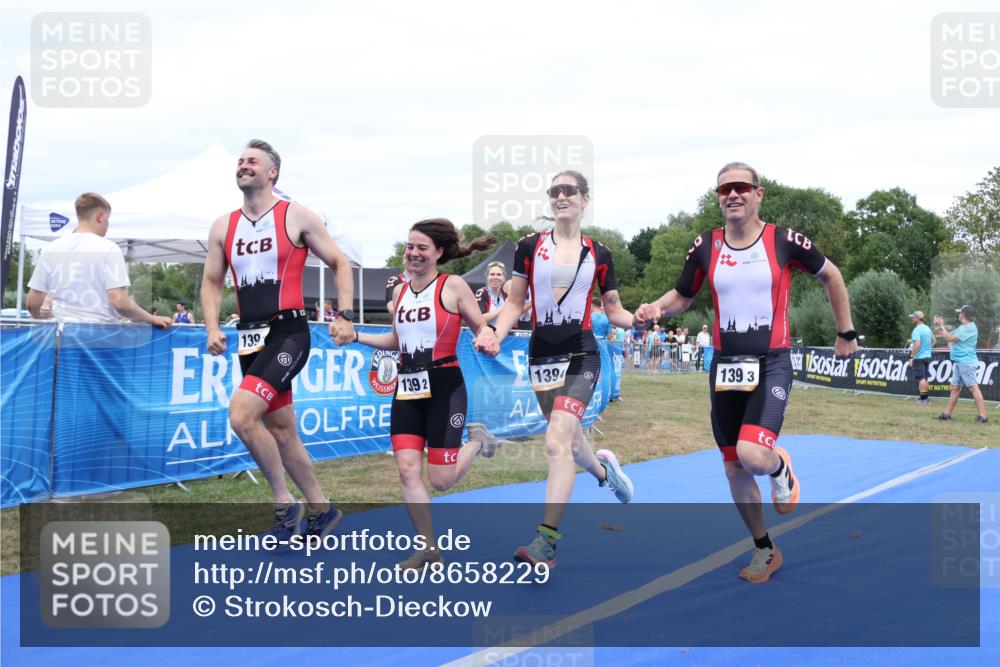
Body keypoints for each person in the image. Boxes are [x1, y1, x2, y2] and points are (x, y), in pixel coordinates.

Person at [635, 161, 858, 584]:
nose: (732, 195)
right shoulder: (706, 244)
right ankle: (765, 549)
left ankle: (779, 469)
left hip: (771, 362)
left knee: (755, 456)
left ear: (759, 194)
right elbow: (684, 295)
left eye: (740, 187)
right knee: (734, 466)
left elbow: (832, 275)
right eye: (724, 190)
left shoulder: (783, 240)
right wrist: (656, 308)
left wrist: (846, 332)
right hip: (724, 367)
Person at [201, 138, 357, 541]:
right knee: (283, 431)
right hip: (248, 337)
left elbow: (340, 262)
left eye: (252, 161)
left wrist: (344, 315)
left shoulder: (296, 216)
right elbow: (212, 282)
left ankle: (283, 503)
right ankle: (323, 510)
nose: (243, 166)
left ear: (272, 173)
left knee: (241, 416)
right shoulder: (223, 225)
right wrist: (212, 327)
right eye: (239, 161)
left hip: (288, 333)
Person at [490, 170, 636, 569]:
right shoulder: (529, 246)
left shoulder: (600, 253)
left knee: (556, 441)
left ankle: (546, 542)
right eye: (554, 191)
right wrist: (497, 333)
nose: (560, 197)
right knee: (570, 443)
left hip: (581, 353)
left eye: (568, 190)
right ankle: (605, 472)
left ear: (585, 199)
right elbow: (515, 303)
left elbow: (614, 309)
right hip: (541, 355)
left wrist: (637, 319)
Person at [346, 218, 502, 568]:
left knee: (442, 480)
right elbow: (395, 341)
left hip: (445, 386)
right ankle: (428, 549)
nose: (412, 254)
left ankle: (477, 442)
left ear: (438, 253)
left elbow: (481, 325)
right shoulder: (399, 292)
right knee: (406, 469)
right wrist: (355, 336)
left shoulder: (454, 286)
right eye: (409, 246)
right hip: (407, 388)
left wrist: (487, 337)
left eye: (421, 248)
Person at [27, 192, 173, 329]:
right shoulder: (109, 249)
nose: (107, 224)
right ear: (100, 216)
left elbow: (32, 304)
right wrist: (151, 318)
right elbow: (120, 302)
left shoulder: (50, 249)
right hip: (98, 337)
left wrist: (48, 316)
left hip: (57, 337)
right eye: (107, 219)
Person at [934, 305, 989, 423]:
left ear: (963, 314)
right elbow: (946, 335)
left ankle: (983, 417)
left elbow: (949, 338)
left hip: (966, 363)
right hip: (961, 362)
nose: (958, 314)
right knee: (955, 388)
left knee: (973, 388)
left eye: (960, 313)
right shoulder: (963, 327)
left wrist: (941, 325)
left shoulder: (968, 328)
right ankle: (946, 415)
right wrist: (939, 326)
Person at [907, 310, 933, 405]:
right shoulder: (927, 328)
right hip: (927, 356)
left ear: (918, 318)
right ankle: (924, 397)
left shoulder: (917, 330)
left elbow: (917, 344)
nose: (912, 319)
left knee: (921, 378)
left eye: (913, 317)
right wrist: (927, 349)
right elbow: (934, 341)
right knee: (925, 378)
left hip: (919, 357)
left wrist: (911, 356)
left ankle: (923, 399)